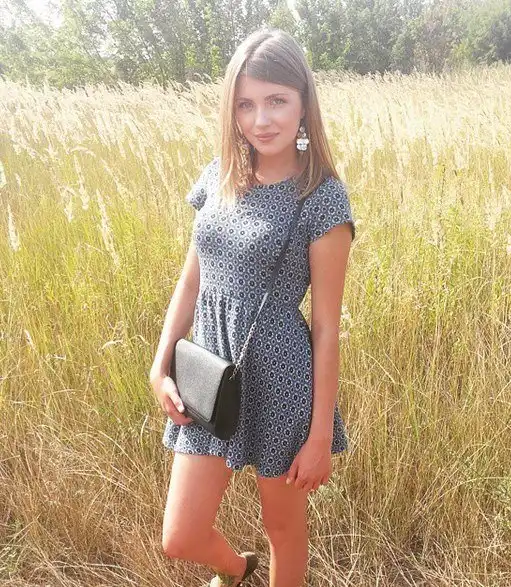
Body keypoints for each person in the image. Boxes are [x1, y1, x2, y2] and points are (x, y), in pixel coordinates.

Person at [149, 27, 356, 587]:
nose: (260, 119)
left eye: (276, 101)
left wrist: (319, 436)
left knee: (282, 527)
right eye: (245, 104)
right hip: (208, 372)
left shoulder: (321, 198)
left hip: (282, 378)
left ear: (303, 103)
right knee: (180, 536)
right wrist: (161, 363)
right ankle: (238, 571)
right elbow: (191, 280)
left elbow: (326, 328)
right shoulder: (218, 176)